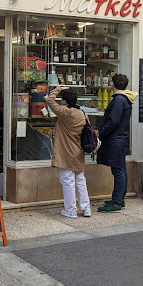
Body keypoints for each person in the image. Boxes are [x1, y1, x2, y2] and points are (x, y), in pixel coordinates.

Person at [46, 86, 91, 219]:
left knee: (67, 181)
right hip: (78, 151)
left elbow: (50, 100)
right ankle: (86, 207)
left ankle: (71, 210)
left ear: (64, 101)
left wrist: (57, 89)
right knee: (80, 180)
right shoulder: (83, 114)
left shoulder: (65, 113)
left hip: (65, 151)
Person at [96, 74, 138, 212]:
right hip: (121, 138)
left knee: (118, 170)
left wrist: (101, 133)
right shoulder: (125, 98)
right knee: (121, 169)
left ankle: (116, 202)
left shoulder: (118, 100)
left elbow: (113, 121)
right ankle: (119, 199)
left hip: (115, 139)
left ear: (113, 85)